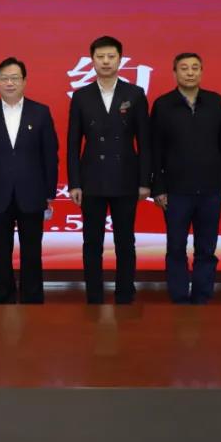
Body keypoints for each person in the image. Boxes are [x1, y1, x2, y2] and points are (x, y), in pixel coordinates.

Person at [67, 36, 151, 304]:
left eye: (111, 56)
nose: (105, 61)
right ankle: (94, 294)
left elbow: (145, 141)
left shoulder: (134, 94)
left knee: (125, 241)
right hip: (91, 179)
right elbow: (73, 143)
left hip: (126, 178)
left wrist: (144, 181)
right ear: (92, 60)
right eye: (100, 56)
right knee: (92, 242)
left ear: (120, 60)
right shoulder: (81, 96)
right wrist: (74, 182)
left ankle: (125, 293)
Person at [0, 57, 59, 304]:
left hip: (32, 192)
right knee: (1, 250)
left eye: (15, 78)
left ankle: (32, 296)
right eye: (5, 78)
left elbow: (50, 155)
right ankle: (4, 296)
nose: (10, 83)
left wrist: (49, 192)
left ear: (24, 81)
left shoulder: (40, 112)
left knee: (32, 250)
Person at [150, 52, 221, 304]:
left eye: (195, 68)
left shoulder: (215, 101)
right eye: (184, 68)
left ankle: (202, 296)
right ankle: (178, 296)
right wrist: (158, 188)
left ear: (201, 72)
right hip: (175, 190)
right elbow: (155, 150)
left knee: (206, 248)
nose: (190, 72)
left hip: (211, 189)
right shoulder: (163, 104)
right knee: (176, 247)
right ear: (175, 72)